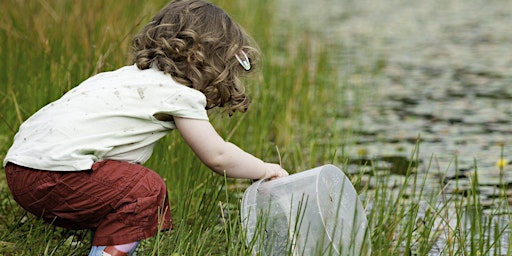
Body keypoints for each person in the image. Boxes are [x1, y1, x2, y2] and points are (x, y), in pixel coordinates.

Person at [2, 0, 289, 255]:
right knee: (145, 189)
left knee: (118, 181)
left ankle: (110, 246)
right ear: (201, 56)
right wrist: (264, 169)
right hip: (53, 175)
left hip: (19, 169)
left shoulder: (125, 77)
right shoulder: (180, 94)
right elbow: (218, 156)